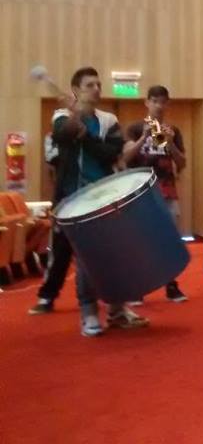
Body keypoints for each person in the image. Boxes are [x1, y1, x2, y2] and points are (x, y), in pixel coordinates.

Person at [29, 67, 147, 336]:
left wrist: (85, 135)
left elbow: (111, 153)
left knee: (112, 256)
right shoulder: (61, 116)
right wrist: (76, 117)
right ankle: (86, 311)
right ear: (76, 90)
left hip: (103, 197)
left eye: (98, 84)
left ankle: (117, 310)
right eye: (89, 85)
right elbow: (62, 135)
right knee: (80, 256)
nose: (96, 89)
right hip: (71, 198)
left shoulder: (108, 120)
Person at [121, 85, 188, 303]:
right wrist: (143, 137)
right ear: (146, 102)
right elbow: (126, 157)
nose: (158, 106)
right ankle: (137, 287)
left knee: (168, 240)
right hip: (140, 193)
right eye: (154, 101)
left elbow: (182, 163)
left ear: (167, 104)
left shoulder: (172, 130)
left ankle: (171, 286)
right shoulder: (134, 128)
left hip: (167, 190)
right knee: (138, 241)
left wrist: (171, 144)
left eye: (163, 102)